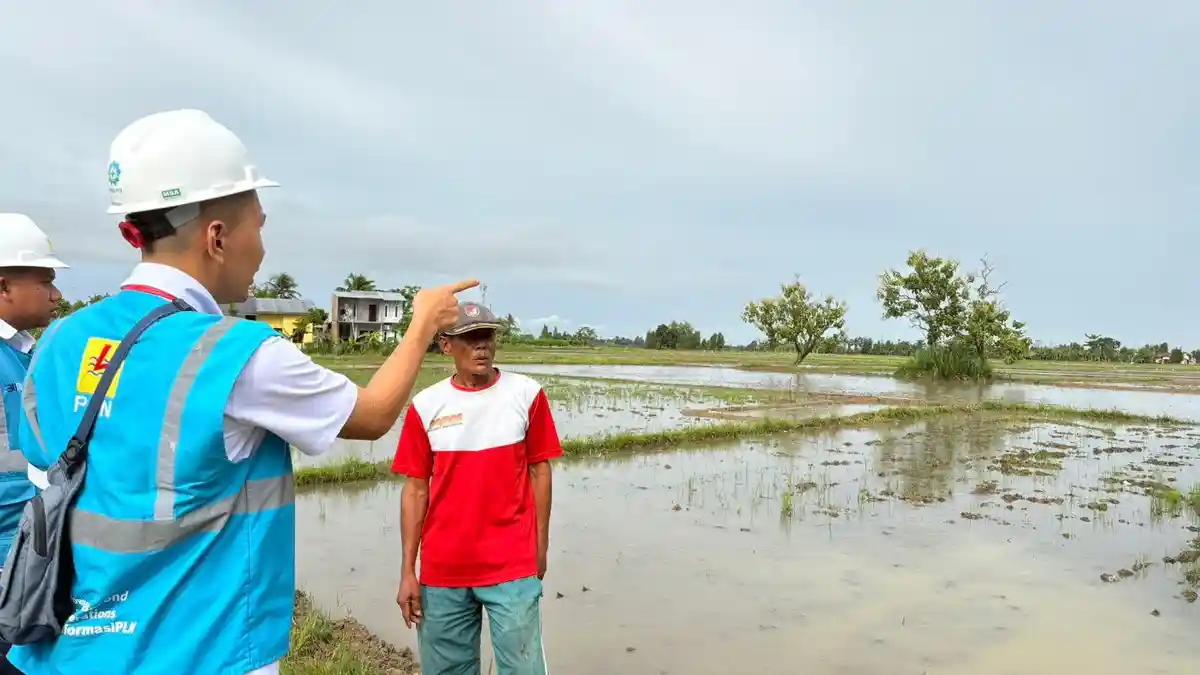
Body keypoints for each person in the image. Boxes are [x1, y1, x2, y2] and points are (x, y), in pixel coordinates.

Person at [10, 109, 477, 675]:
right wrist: (422, 323)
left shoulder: (60, 340)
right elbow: (374, 414)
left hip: (64, 653)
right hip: (196, 655)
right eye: (259, 225)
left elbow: (47, 467)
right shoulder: (238, 355)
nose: (262, 247)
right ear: (217, 236)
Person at [392, 301, 562, 675]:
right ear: (446, 345)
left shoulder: (527, 395)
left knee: (524, 669)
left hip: (511, 564)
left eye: (487, 336)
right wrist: (407, 570)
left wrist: (540, 547)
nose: (481, 346)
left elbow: (540, 472)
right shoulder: (426, 406)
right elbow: (415, 490)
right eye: (470, 338)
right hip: (443, 569)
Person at [0, 214, 68, 675]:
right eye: (46, 281)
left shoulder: (23, 354)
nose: (56, 295)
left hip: (23, 553)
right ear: (4, 286)